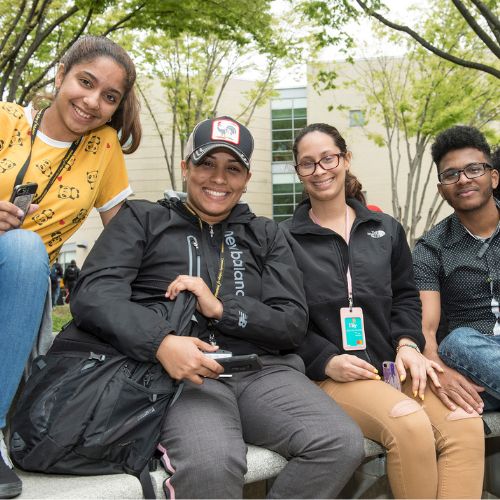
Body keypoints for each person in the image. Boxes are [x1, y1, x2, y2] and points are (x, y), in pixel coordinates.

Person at [66, 116, 364, 499]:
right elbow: (93, 295)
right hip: (177, 377)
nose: (219, 179)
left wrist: (223, 309)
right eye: (207, 163)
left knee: (338, 442)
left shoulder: (267, 234)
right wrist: (161, 342)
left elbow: (291, 323)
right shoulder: (143, 219)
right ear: (185, 167)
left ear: (246, 177)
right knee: (212, 464)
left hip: (261, 371)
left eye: (233, 168)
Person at [281, 122, 485, 498]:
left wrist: (408, 343)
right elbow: (284, 319)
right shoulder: (283, 239)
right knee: (408, 425)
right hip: (330, 377)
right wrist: (326, 360)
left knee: (465, 425)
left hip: (391, 367)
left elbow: (406, 297)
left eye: (328, 158)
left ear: (345, 160)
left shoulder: (385, 229)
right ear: (298, 173)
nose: (320, 170)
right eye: (307, 164)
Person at [0, 35, 141, 498]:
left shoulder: (102, 149)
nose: (92, 102)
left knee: (25, 249)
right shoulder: (4, 119)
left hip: (20, 279)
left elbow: (124, 236)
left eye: (109, 96)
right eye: (85, 82)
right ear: (61, 75)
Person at [413, 126, 499, 415]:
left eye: (474, 169)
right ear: (441, 190)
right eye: (451, 174)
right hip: (474, 361)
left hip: (487, 384)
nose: (463, 180)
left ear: (494, 177)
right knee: (457, 342)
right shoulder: (430, 248)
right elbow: (426, 329)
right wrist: (441, 375)